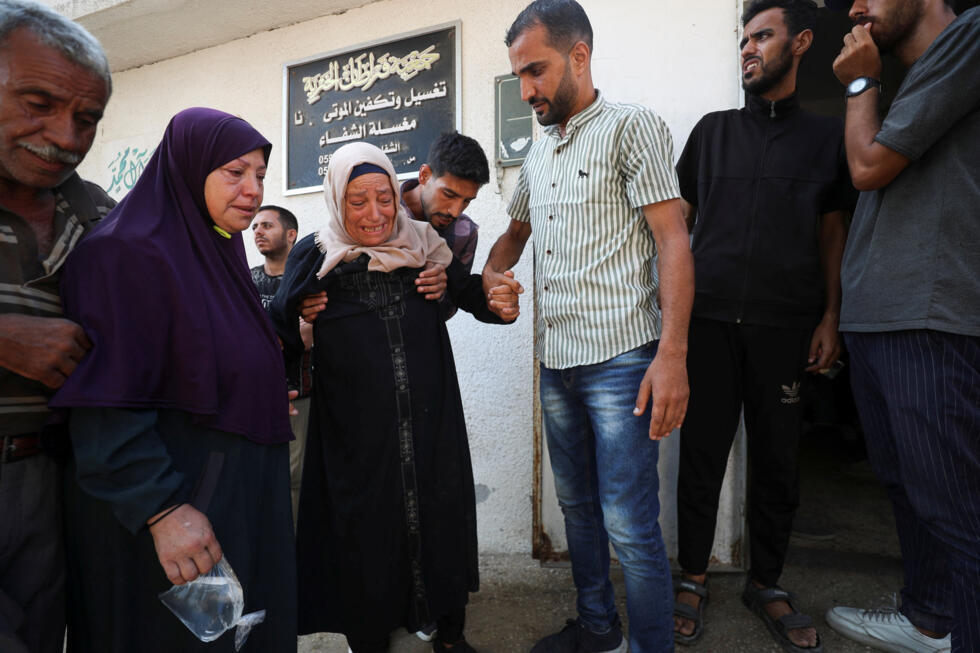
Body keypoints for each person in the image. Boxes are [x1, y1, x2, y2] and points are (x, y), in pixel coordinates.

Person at [484, 1, 694, 651]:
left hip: (625, 360)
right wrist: (495, 282)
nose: (527, 91)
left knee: (630, 524)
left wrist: (673, 355)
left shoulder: (633, 128)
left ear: (580, 55)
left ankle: (649, 643)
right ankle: (599, 628)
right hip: (557, 364)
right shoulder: (537, 155)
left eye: (537, 70)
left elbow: (673, 242)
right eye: (519, 76)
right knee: (576, 511)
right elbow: (509, 240)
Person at [48, 108, 297, 652]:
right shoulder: (125, 253)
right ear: (189, 167)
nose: (253, 190)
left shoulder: (214, 252)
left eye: (260, 175)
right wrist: (160, 509)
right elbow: (105, 404)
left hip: (230, 499)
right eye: (235, 172)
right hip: (172, 511)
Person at [272, 141, 519, 653]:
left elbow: (466, 292)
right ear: (336, 200)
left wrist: (499, 303)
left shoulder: (426, 241)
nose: (375, 214)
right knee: (365, 532)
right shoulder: (314, 254)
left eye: (384, 198)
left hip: (430, 419)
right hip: (354, 433)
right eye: (357, 201)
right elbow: (278, 326)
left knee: (440, 515)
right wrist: (301, 320)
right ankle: (371, 637)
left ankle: (450, 634)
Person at [671, 1, 853, 650]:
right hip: (710, 322)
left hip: (787, 327)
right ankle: (692, 574)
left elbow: (833, 231)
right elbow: (676, 230)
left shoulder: (827, 139)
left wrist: (831, 314)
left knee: (779, 463)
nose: (748, 48)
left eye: (763, 36)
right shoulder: (712, 132)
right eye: (743, 39)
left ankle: (766, 582)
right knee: (701, 456)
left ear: (800, 42)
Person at [827, 1, 979, 652]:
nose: (856, 6)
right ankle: (930, 618)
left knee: (957, 509)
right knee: (906, 486)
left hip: (930, 316)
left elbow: (868, 166)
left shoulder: (970, 36)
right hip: (880, 318)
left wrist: (861, 83)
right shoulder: (924, 77)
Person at [0, 3, 113, 652]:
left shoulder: (96, 211)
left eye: (88, 118)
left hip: (55, 483)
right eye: (38, 101)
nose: (66, 136)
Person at [250, 204, 312, 522]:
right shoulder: (245, 280)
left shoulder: (308, 281)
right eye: (255, 226)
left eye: (266, 226)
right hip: (252, 396)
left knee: (293, 477)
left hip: (297, 393)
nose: (257, 231)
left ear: (291, 235)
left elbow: (307, 336)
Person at [401, 131, 490, 320]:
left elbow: (452, 306)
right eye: (449, 195)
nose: (455, 212)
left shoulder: (464, 233)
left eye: (467, 201)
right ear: (424, 175)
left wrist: (439, 293)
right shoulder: (380, 214)